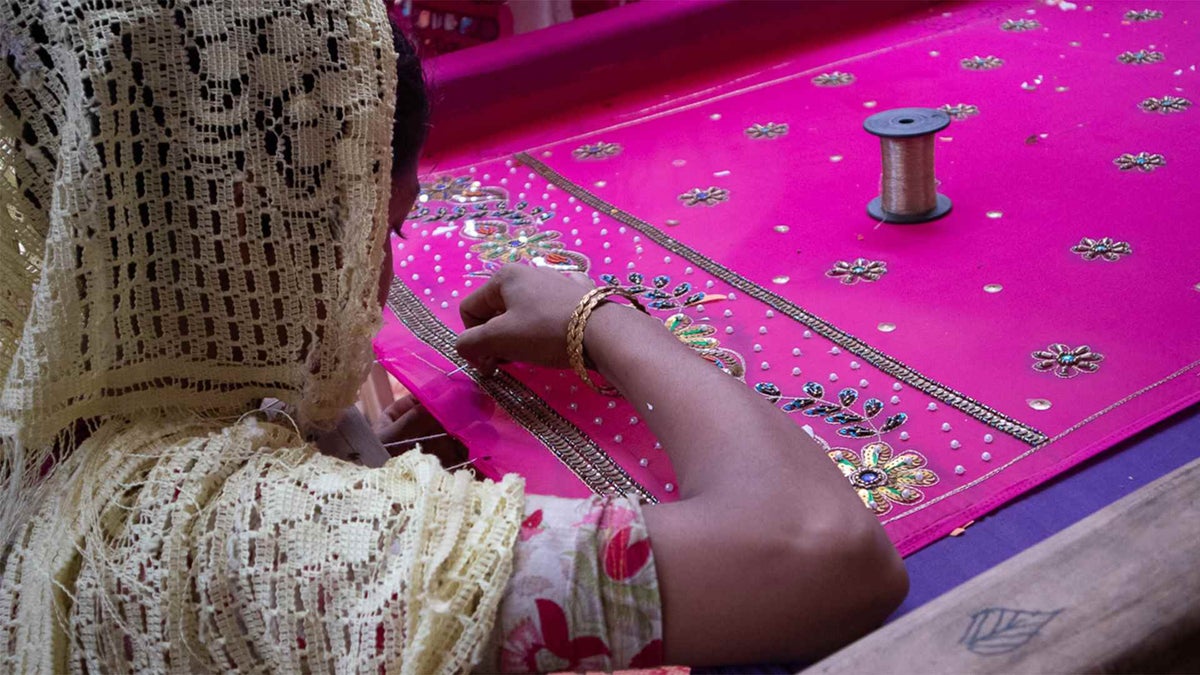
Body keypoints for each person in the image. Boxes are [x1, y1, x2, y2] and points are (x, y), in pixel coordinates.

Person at [0, 1, 906, 673]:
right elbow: (823, 554)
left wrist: (353, 467)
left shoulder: (48, 392)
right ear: (253, 225)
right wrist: (603, 319)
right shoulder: (239, 542)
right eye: (375, 234)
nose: (383, 286)